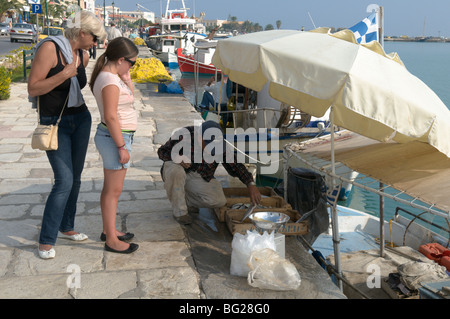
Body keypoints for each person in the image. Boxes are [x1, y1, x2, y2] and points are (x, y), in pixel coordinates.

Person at [27, 11, 106, 259]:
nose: (95, 43)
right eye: (94, 37)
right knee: (64, 180)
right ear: (81, 33)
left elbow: (82, 85)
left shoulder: (82, 54)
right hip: (55, 122)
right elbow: (33, 87)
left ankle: (66, 226)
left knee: (77, 177)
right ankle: (46, 240)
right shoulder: (50, 49)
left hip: (80, 118)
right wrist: (63, 74)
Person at [157, 121, 261, 225]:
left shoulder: (221, 145)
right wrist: (176, 158)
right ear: (199, 136)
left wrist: (250, 184)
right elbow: (162, 151)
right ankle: (180, 212)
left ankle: (182, 198)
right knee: (176, 171)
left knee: (218, 200)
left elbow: (236, 166)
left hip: (198, 176)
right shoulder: (184, 135)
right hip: (177, 169)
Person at [90, 37, 139, 254]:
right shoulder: (109, 81)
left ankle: (108, 230)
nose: (132, 66)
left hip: (116, 137)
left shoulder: (112, 76)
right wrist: (121, 147)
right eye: (132, 63)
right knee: (113, 191)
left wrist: (127, 78)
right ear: (121, 59)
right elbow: (110, 116)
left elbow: (129, 99)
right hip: (114, 139)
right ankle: (111, 239)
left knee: (111, 189)